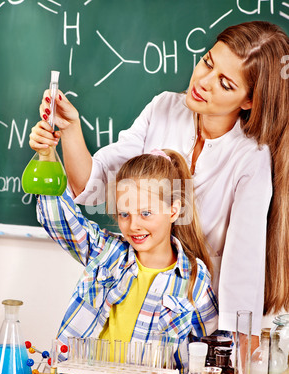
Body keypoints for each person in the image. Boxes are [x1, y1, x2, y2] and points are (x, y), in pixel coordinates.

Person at [30, 21, 289, 349]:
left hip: (198, 321)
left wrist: (233, 370)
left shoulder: (250, 159)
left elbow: (242, 275)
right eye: (208, 62)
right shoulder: (164, 107)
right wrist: (68, 130)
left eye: (224, 83)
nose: (203, 82)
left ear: (249, 101)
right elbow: (97, 181)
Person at [36, 149, 218, 374]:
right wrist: (47, 155)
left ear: (173, 210)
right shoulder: (106, 251)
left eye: (145, 213)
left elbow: (209, 355)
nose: (134, 225)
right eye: (124, 214)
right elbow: (58, 219)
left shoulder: (195, 279)